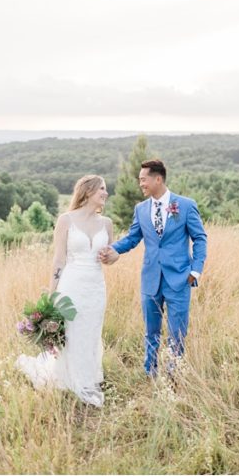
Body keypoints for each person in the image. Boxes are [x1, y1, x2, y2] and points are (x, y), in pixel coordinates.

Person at [98, 160, 207, 379]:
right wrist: (113, 249)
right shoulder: (140, 209)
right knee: (151, 330)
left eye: (143, 179)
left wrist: (195, 271)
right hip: (150, 279)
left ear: (158, 179)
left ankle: (174, 374)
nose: (141, 184)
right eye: (140, 180)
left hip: (179, 278)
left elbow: (200, 238)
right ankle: (150, 371)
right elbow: (133, 238)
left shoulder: (185, 205)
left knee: (177, 332)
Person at [17, 175, 112, 407]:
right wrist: (52, 295)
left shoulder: (107, 223)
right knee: (72, 330)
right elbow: (58, 260)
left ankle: (88, 377)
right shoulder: (66, 220)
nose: (106, 193)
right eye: (102, 189)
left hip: (96, 285)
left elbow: (111, 256)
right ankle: (71, 379)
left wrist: (111, 257)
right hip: (71, 283)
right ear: (88, 191)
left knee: (91, 330)